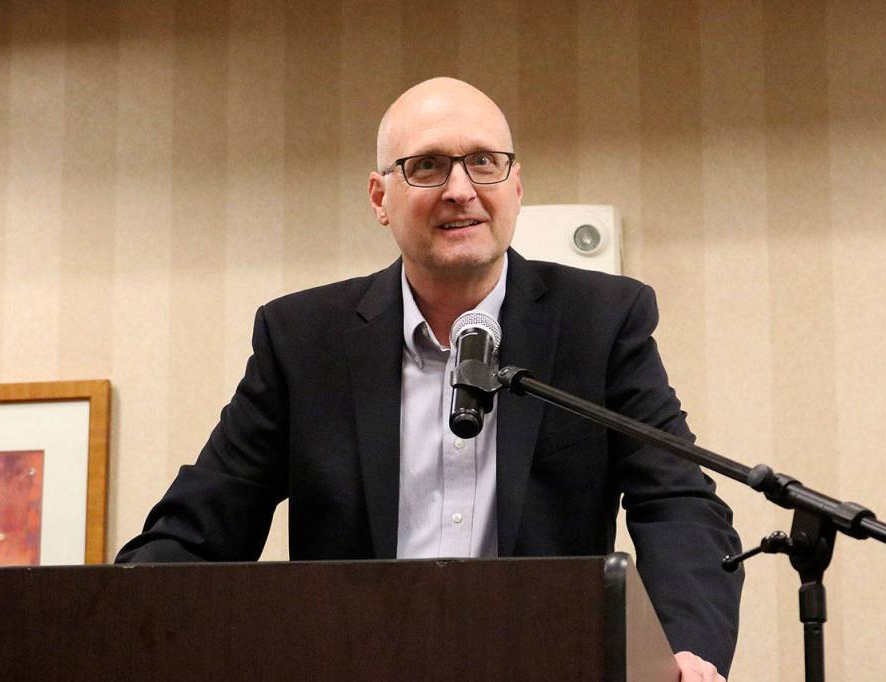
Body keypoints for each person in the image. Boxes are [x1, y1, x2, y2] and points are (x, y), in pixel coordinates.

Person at [117, 77, 743, 680]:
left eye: (484, 162)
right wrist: (118, 625)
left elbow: (677, 504)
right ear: (379, 197)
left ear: (516, 185)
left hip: (551, 664)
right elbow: (203, 528)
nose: (461, 189)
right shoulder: (303, 341)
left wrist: (682, 652)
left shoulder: (599, 323)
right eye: (427, 166)